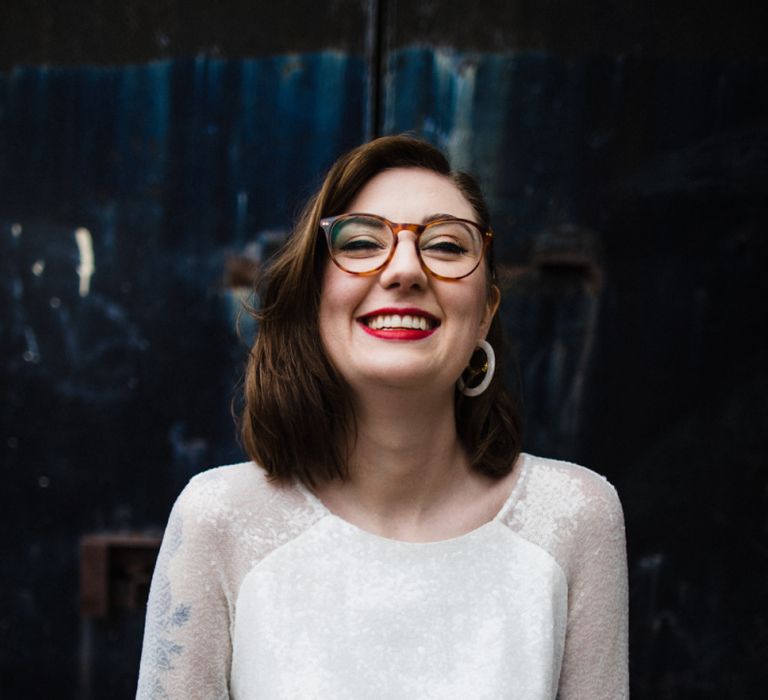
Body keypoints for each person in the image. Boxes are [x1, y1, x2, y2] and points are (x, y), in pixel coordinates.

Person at [136, 135, 628, 699]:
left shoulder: (572, 516)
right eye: (363, 242)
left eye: (445, 246)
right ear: (313, 295)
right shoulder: (221, 519)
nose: (404, 271)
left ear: (487, 309)